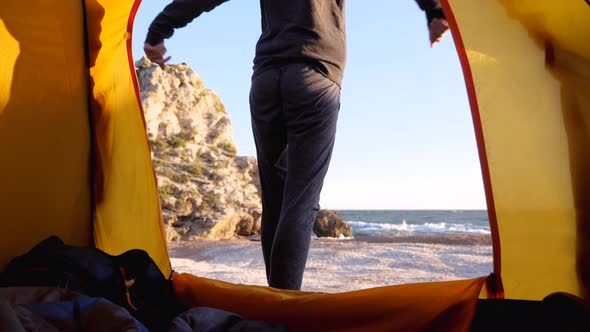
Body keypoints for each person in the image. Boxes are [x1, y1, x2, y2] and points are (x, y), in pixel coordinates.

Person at [144, 0, 450, 291]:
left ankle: (277, 301)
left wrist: (158, 31)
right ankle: (285, 306)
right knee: (301, 202)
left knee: (275, 201)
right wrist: (434, 12)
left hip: (266, 80)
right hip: (316, 76)